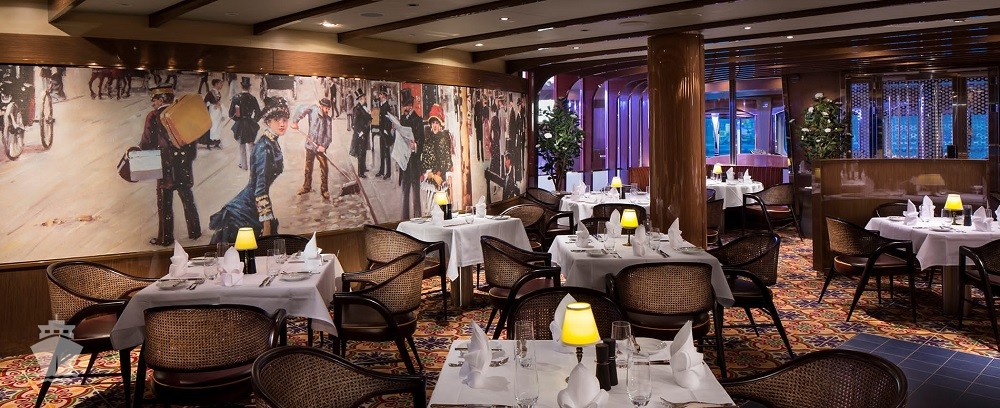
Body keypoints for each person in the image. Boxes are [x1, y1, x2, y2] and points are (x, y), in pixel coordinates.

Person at [209, 96, 289, 243]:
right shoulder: (264, 147)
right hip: (246, 210)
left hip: (254, 206)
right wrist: (266, 223)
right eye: (277, 119)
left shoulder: (272, 142)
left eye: (285, 119)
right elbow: (260, 189)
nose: (282, 124)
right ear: (268, 121)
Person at [140, 86, 201, 246]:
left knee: (165, 204)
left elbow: (147, 142)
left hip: (164, 166)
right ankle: (195, 231)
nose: (153, 102)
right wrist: (188, 159)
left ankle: (165, 238)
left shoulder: (153, 116)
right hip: (183, 164)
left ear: (161, 100)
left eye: (154, 99)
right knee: (187, 198)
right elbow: (192, 139)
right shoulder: (181, 113)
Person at [291, 98, 333, 199]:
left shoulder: (328, 120)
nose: (327, 110)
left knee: (324, 167)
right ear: (321, 106)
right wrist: (295, 121)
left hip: (320, 148)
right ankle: (306, 187)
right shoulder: (313, 109)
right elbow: (301, 109)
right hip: (310, 144)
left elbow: (329, 136)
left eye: (328, 109)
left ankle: (324, 190)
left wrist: (324, 146)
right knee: (308, 167)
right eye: (326, 108)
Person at [398, 89, 423, 219]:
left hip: (414, 161)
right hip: (405, 160)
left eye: (407, 105)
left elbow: (422, 139)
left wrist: (416, 145)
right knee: (405, 190)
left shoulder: (417, 120)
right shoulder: (402, 119)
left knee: (415, 192)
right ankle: (405, 218)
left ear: (411, 105)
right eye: (404, 106)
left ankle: (417, 217)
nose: (405, 108)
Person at [230, 77, 261, 171]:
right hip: (249, 122)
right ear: (249, 87)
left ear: (241, 86)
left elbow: (230, 114)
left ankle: (244, 165)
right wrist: (254, 121)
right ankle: (253, 166)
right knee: (251, 144)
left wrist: (237, 119)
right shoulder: (252, 98)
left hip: (240, 123)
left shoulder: (236, 98)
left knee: (242, 145)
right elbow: (258, 112)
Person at [421, 103, 452, 189]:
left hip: (442, 178)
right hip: (430, 178)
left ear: (440, 125)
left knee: (441, 196)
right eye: (433, 123)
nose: (435, 125)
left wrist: (447, 175)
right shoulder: (428, 141)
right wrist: (426, 173)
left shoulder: (444, 139)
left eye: (437, 123)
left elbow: (447, 159)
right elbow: (425, 159)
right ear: (430, 125)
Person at [349, 88, 372, 178]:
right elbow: (354, 124)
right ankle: (360, 172)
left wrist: (370, 116)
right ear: (360, 99)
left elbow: (368, 118)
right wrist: (360, 133)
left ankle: (364, 167)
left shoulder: (364, 107)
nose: (365, 99)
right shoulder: (357, 109)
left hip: (365, 132)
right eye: (364, 98)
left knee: (364, 151)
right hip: (360, 134)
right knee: (360, 153)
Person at [199, 78, 225, 149]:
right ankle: (209, 143)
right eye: (220, 83)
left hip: (217, 112)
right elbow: (205, 102)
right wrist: (213, 105)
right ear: (216, 84)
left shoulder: (218, 93)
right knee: (212, 126)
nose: (222, 85)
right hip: (212, 112)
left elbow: (219, 102)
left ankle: (216, 142)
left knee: (217, 127)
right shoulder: (210, 93)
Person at [374, 88, 394, 180]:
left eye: (381, 94)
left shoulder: (387, 106)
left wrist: (387, 130)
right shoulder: (381, 105)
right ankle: (381, 171)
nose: (379, 96)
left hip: (385, 132)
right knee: (382, 152)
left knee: (386, 153)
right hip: (381, 131)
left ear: (384, 96)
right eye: (379, 94)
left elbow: (389, 119)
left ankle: (388, 173)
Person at [473, 90, 486, 161]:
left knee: (477, 141)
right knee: (482, 141)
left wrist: (475, 125)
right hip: (481, 123)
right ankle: (482, 157)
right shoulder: (481, 104)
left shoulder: (475, 105)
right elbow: (483, 114)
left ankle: (478, 157)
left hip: (477, 123)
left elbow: (474, 116)